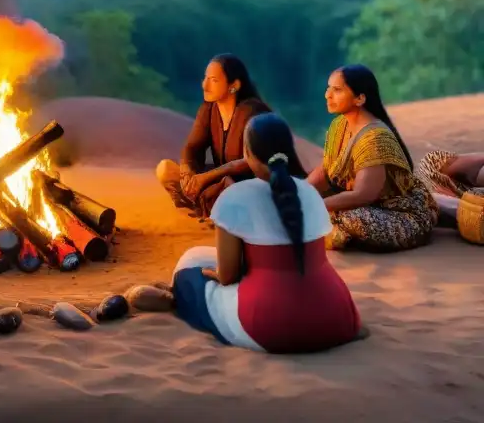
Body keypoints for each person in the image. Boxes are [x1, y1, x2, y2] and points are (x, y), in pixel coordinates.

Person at [171, 113, 363, 353]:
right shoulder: (309, 192)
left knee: (190, 268)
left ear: (248, 154)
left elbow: (228, 276)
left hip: (268, 325)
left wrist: (217, 274)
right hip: (335, 317)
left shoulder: (235, 196)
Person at [307, 65, 438, 252]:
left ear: (360, 98)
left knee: (351, 218)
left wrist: (312, 205)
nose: (327, 95)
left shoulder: (375, 138)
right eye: (329, 88)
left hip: (401, 215)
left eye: (337, 90)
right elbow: (327, 170)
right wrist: (300, 193)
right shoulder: (339, 125)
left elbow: (364, 195)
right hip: (368, 207)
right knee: (318, 208)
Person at [156, 54, 299, 217]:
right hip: (221, 181)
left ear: (234, 85)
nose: (205, 85)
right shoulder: (208, 109)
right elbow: (192, 147)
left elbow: (252, 161)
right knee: (165, 169)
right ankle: (206, 207)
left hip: (255, 185)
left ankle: (224, 211)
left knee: (230, 187)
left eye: (214, 80)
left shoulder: (253, 112)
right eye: (206, 78)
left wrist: (206, 177)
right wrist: (187, 172)